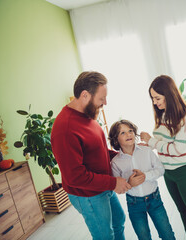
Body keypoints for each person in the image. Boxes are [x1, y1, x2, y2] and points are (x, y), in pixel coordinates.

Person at [51, 71, 131, 240]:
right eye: (101, 99)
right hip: (88, 194)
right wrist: (113, 183)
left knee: (118, 221)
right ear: (85, 95)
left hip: (103, 185)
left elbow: (98, 150)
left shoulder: (87, 115)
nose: (105, 103)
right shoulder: (65, 129)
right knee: (104, 236)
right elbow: (75, 177)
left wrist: (127, 155)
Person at [140, 75, 186, 240]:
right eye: (153, 99)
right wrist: (147, 145)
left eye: (157, 98)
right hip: (168, 172)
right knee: (182, 210)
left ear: (168, 94)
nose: (155, 102)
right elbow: (162, 144)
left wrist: (152, 141)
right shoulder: (162, 115)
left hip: (184, 171)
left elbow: (179, 149)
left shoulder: (183, 116)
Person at [109, 120, 175, 240]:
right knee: (143, 237)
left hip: (155, 200)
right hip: (134, 205)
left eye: (130, 131)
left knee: (167, 233)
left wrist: (145, 176)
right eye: (123, 133)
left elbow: (161, 170)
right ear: (115, 139)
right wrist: (129, 183)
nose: (129, 134)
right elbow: (118, 189)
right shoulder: (115, 162)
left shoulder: (147, 151)